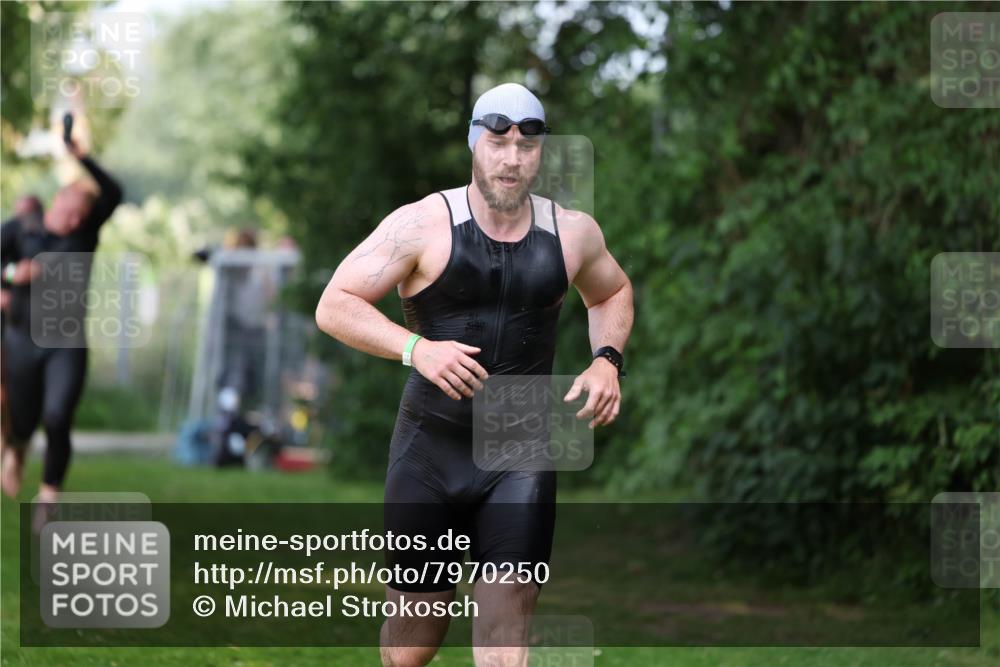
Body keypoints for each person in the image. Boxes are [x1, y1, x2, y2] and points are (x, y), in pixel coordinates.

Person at [315, 82, 633, 666]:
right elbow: (335, 304)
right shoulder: (420, 225)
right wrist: (417, 349)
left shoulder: (572, 232)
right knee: (412, 644)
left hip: (520, 451)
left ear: (542, 151)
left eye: (526, 146)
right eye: (497, 142)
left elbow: (611, 292)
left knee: (505, 632)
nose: (512, 159)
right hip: (429, 450)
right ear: (473, 143)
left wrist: (606, 360)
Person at [0, 139, 123, 503]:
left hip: (65, 343)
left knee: (57, 416)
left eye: (81, 217)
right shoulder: (20, 229)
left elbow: (114, 192)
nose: (75, 221)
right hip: (21, 340)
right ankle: (17, 449)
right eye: (71, 213)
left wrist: (82, 155)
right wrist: (11, 275)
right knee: (22, 422)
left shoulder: (85, 234)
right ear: (56, 201)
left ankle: (48, 498)